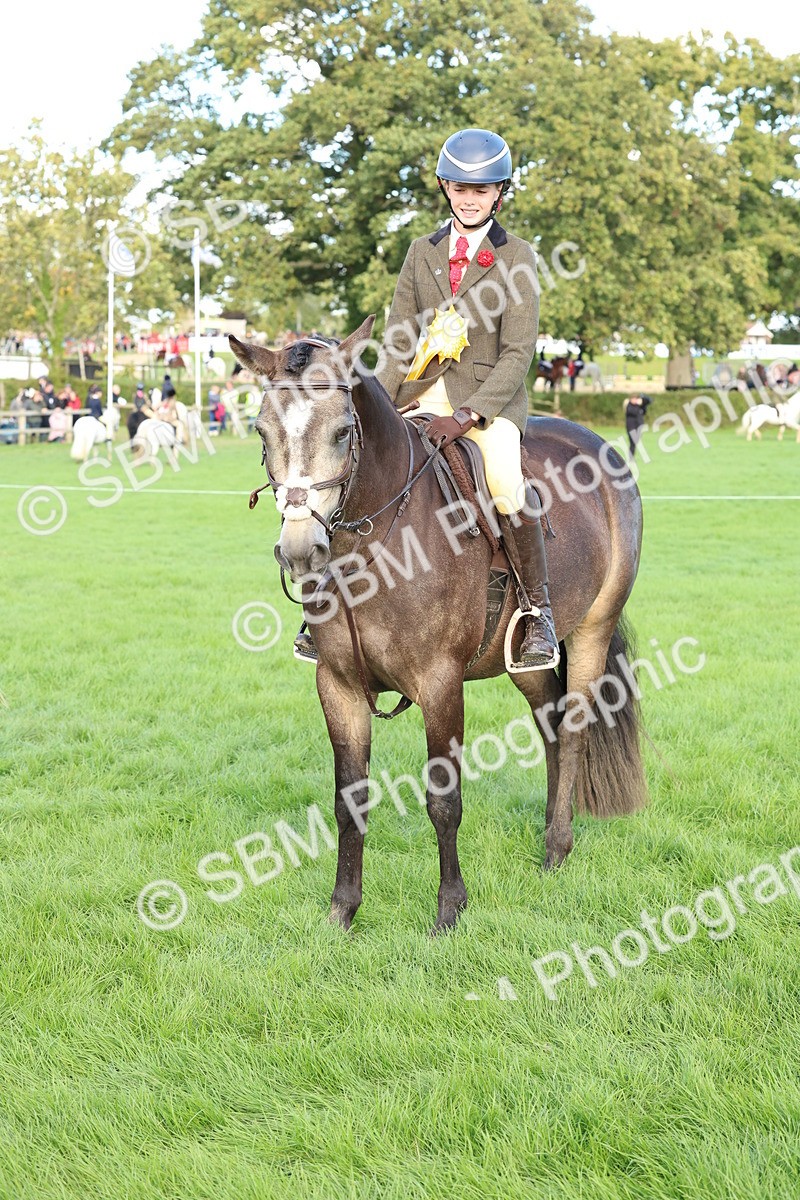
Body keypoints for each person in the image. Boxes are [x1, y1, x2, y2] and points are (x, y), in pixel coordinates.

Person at [295, 126, 559, 671]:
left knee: (505, 480)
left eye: (481, 190)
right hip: (418, 394)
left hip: (487, 404)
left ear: (499, 193)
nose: (470, 198)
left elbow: (517, 353)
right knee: (355, 467)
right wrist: (376, 407)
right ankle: (325, 604)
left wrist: (467, 415)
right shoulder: (422, 252)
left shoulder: (518, 257)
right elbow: (399, 340)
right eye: (461, 188)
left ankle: (538, 612)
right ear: (445, 187)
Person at [624, 393, 651, 458]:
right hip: (631, 427)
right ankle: (631, 457)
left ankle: (631, 456)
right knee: (632, 442)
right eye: (633, 399)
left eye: (636, 399)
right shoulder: (629, 406)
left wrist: (643, 397)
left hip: (639, 427)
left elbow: (649, 401)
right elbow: (633, 412)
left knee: (635, 442)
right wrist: (639, 405)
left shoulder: (640, 406)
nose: (635, 400)